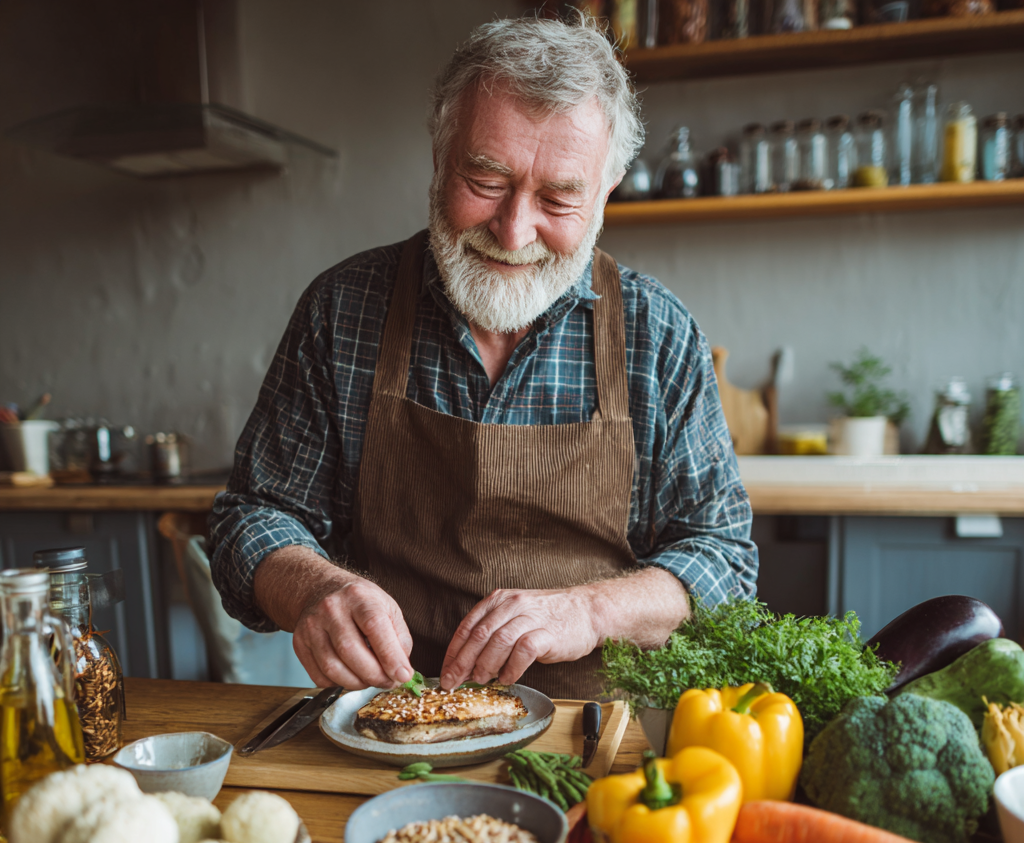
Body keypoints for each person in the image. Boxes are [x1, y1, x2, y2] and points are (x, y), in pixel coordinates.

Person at [209, 16, 757, 701]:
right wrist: (313, 588)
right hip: (390, 723)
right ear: (440, 159)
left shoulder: (657, 332)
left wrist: (589, 610)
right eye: (487, 180)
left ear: (606, 191)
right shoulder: (344, 310)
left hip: (595, 738)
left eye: (559, 197)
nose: (514, 230)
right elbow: (251, 516)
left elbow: (722, 563)